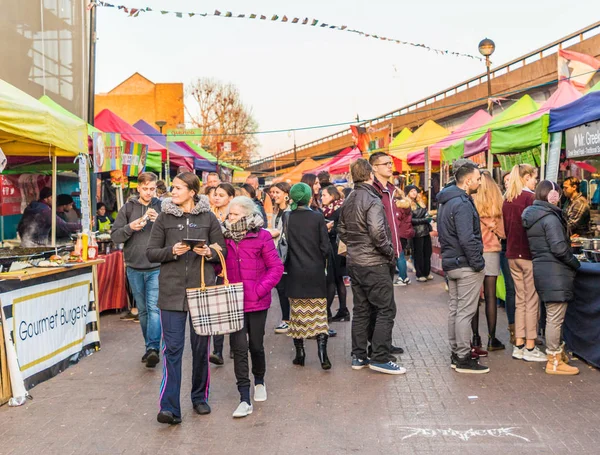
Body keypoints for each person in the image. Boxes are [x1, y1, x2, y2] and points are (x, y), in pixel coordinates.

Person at [146, 172, 226, 425]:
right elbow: (151, 253)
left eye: (178, 187)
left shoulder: (208, 217)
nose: (173, 191)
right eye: (172, 187)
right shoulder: (164, 218)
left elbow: (221, 247)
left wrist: (208, 251)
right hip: (171, 292)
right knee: (173, 350)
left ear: (192, 191)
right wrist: (171, 251)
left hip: (201, 290)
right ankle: (169, 407)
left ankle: (199, 397)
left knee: (201, 348)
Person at [338, 159, 406, 375]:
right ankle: (380, 357)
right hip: (374, 262)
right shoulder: (372, 198)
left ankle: (359, 355)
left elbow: (341, 229)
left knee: (361, 309)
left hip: (355, 261)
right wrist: (388, 252)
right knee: (386, 309)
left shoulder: (349, 198)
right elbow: (378, 233)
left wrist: (355, 244)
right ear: (370, 175)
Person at [222, 196, 284, 417]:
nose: (231, 218)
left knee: (255, 345)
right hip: (232, 302)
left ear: (247, 215)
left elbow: (275, 268)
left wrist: (259, 290)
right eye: (230, 214)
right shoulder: (223, 237)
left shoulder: (262, 236)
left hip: (257, 302)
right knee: (238, 347)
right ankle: (243, 397)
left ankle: (259, 380)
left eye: (236, 214)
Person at [522, 180, 580, 375]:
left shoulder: (535, 215)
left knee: (551, 315)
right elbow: (559, 248)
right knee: (555, 317)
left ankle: (557, 354)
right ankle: (554, 360)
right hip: (555, 271)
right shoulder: (550, 218)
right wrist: (575, 263)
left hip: (543, 269)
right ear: (552, 196)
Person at [436, 162, 489, 374]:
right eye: (477, 178)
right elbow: (467, 238)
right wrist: (478, 263)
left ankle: (457, 352)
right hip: (465, 264)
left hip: (451, 262)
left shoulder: (445, 202)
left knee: (456, 310)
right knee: (465, 312)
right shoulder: (463, 203)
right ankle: (463, 357)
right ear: (467, 181)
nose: (478, 182)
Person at [111, 172, 162, 368]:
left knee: (153, 308)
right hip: (134, 266)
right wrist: (130, 227)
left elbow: (172, 232)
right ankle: (149, 346)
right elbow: (116, 236)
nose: (149, 193)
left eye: (152, 189)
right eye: (145, 189)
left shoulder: (161, 206)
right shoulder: (128, 208)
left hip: (156, 266)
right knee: (142, 311)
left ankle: (153, 349)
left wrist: (158, 220)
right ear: (138, 188)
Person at [285, 183, 332, 370]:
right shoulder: (318, 217)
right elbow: (325, 248)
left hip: (295, 272)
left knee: (297, 315)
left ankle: (300, 354)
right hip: (315, 272)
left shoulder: (288, 217)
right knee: (320, 315)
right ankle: (323, 355)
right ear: (309, 198)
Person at [503, 164, 546, 362]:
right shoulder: (530, 199)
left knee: (520, 301)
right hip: (528, 254)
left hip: (511, 253)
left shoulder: (508, 199)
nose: (535, 181)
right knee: (531, 302)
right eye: (534, 177)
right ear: (526, 177)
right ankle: (530, 345)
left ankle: (519, 344)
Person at [472, 170, 506, 352]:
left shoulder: (470, 203)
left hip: (474, 252)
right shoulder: (497, 204)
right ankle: (492, 339)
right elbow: (503, 233)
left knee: (474, 297)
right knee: (491, 296)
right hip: (491, 251)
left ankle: (475, 338)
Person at [370, 152, 409, 287]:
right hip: (378, 255)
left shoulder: (392, 190)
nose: (390, 166)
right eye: (385, 164)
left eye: (390, 163)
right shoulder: (372, 190)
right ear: (374, 167)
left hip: (392, 250)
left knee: (387, 301)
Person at [210, 182, 236, 365]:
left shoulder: (236, 216)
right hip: (215, 266)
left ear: (231, 198)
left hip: (234, 265)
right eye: (215, 194)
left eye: (221, 194)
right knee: (218, 309)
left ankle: (235, 346)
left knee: (234, 307)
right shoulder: (209, 216)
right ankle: (217, 351)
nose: (217, 197)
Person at [321, 186, 349, 322]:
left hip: (336, 248)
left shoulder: (338, 209)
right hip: (333, 247)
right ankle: (343, 310)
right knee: (338, 279)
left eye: (324, 195)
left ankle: (328, 312)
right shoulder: (329, 209)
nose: (322, 198)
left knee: (332, 279)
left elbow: (340, 228)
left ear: (332, 196)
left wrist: (328, 229)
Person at [270, 182, 292, 334]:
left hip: (288, 254)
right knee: (281, 287)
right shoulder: (276, 211)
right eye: (272, 192)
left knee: (285, 287)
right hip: (277, 253)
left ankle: (287, 320)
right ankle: (286, 319)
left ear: (286, 194)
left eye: (277, 192)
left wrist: (274, 233)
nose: (274, 195)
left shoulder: (290, 212)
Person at [500, 172, 516, 344]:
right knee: (511, 289)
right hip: (505, 249)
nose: (507, 183)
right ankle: (513, 327)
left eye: (510, 180)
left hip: (516, 249)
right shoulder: (502, 201)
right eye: (505, 181)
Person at [406, 185, 433, 282]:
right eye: (412, 191)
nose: (414, 192)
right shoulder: (407, 204)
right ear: (408, 193)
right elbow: (409, 220)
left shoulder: (420, 202)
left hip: (425, 230)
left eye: (415, 191)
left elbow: (425, 214)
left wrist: (428, 217)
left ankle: (427, 272)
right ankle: (420, 274)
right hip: (416, 232)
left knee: (428, 252)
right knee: (419, 254)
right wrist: (424, 220)